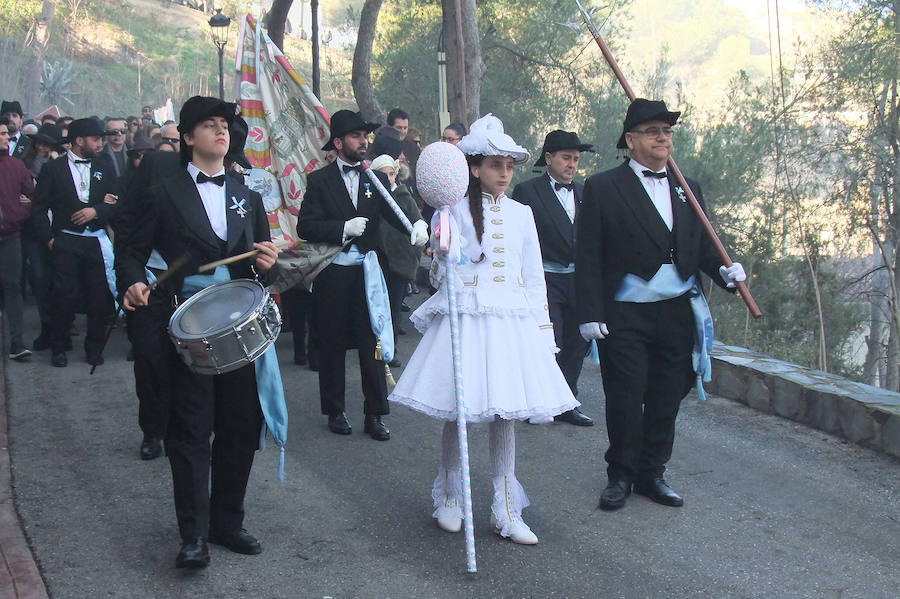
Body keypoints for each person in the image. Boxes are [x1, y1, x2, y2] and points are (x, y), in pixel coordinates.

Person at [388, 114, 579, 545]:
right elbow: (439, 274)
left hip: (509, 324)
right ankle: (451, 497)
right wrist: (439, 245)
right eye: (496, 165)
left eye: (510, 166)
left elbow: (533, 278)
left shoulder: (522, 214)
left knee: (504, 414)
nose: (505, 174)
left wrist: (543, 334)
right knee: (460, 410)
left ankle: (507, 509)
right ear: (475, 167)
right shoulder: (451, 209)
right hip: (466, 319)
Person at [115, 96, 279, 569]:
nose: (221, 132)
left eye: (224, 125)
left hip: (237, 329)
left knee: (241, 426)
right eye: (209, 126)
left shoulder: (246, 194)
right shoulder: (164, 191)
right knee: (190, 430)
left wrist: (265, 266)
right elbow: (131, 247)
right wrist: (133, 282)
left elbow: (257, 268)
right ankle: (193, 536)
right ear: (188, 138)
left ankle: (227, 523)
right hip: (186, 324)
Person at [575, 99, 746, 511]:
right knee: (626, 395)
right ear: (630, 140)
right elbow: (589, 256)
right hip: (626, 311)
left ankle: (653, 472)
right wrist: (589, 313)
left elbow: (702, 245)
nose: (663, 138)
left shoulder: (687, 187)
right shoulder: (603, 187)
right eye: (653, 131)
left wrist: (724, 272)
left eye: (667, 132)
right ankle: (620, 474)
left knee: (668, 395)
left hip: (676, 312)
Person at [297, 109, 429, 441]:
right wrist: (341, 228)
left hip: (369, 272)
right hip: (333, 272)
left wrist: (416, 227)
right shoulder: (319, 180)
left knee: (373, 342)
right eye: (356, 136)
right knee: (332, 344)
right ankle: (335, 409)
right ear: (338, 142)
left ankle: (375, 414)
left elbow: (396, 213)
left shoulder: (376, 179)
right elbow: (306, 226)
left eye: (365, 136)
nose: (363, 142)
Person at [512, 130, 595, 427]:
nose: (572, 165)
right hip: (544, 277)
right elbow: (518, 238)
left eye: (575, 159)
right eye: (566, 158)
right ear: (549, 159)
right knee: (550, 338)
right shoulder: (527, 192)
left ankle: (567, 401)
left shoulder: (586, 193)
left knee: (576, 341)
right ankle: (538, 399)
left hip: (579, 280)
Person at [30, 118, 120, 368]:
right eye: (95, 139)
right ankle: (58, 347)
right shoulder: (53, 169)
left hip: (96, 242)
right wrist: (49, 239)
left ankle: (94, 348)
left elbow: (117, 202)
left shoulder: (105, 166)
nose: (100, 143)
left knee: (98, 298)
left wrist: (97, 211)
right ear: (79, 141)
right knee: (63, 297)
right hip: (66, 241)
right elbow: (38, 209)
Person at [371, 152, 423, 365]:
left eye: (391, 174)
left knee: (392, 307)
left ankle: (390, 349)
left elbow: (416, 222)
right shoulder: (370, 198)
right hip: (377, 260)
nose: (388, 179)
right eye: (383, 175)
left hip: (400, 261)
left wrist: (419, 233)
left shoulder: (402, 196)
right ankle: (376, 345)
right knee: (376, 305)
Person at [0, 116, 35, 360]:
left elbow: (31, 196)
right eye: (0, 134)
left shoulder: (16, 165)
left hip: (11, 235)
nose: (5, 138)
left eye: (5, 133)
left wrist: (17, 213)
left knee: (13, 287)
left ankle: (16, 343)